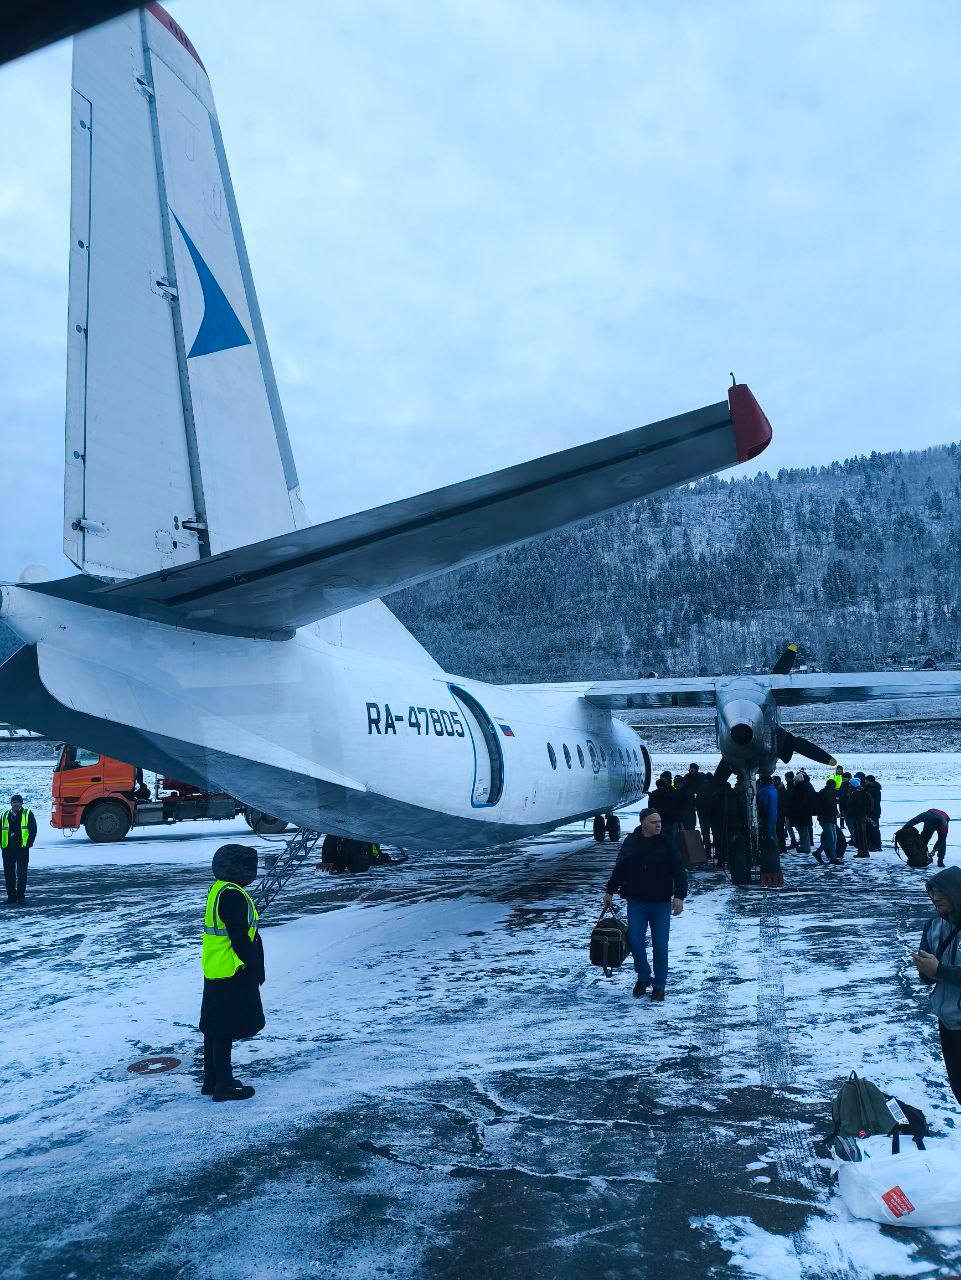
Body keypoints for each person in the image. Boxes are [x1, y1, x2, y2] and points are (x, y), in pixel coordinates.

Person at [200, 844, 265, 1103]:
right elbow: (239, 938)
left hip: (216, 967)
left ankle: (212, 1080)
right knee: (225, 1029)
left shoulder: (219, 889)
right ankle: (224, 1086)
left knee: (214, 1028)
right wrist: (254, 967)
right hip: (232, 969)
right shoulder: (233, 895)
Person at [602, 808, 687, 1002]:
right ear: (643, 824)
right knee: (635, 942)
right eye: (653, 822)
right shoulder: (631, 842)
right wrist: (609, 890)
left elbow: (679, 871)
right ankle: (643, 977)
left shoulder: (667, 842)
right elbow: (620, 869)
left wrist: (680, 896)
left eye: (659, 821)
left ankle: (659, 985)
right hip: (636, 902)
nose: (658, 824)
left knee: (660, 945)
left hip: (660, 904)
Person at [913, 867, 961, 1105]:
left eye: (942, 891)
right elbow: (927, 976)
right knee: (959, 1088)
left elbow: (938, 971)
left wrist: (939, 970)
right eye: (932, 891)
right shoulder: (933, 926)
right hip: (947, 1020)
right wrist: (926, 971)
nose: (935, 897)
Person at [2, 793, 37, 905]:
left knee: (22, 874)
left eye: (18, 802)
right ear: (11, 803)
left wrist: (28, 844)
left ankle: (21, 897)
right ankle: (11, 897)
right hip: (7, 849)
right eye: (14, 802)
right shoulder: (4, 815)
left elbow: (33, 830)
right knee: (9, 874)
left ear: (21, 803)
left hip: (22, 849)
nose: (16, 804)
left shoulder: (27, 814)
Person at [789, 768, 816, 855]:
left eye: (795, 780)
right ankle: (805, 846)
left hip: (802, 814)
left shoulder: (800, 789)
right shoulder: (806, 786)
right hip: (805, 813)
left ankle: (805, 847)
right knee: (804, 831)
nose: (794, 782)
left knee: (803, 831)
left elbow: (799, 802)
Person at [816, 778, 842, 865]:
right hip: (827, 819)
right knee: (831, 838)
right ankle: (818, 852)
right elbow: (830, 806)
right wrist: (836, 812)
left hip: (827, 818)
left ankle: (833, 858)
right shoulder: (829, 793)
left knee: (833, 838)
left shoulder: (825, 792)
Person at [846, 777, 870, 857]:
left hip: (858, 817)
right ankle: (863, 852)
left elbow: (855, 807)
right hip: (860, 816)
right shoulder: (861, 792)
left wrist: (852, 813)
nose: (849, 785)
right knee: (861, 835)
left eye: (850, 784)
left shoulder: (856, 794)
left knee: (860, 835)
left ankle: (862, 852)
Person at [756, 774, 778, 844]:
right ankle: (776, 850)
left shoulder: (764, 791)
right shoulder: (774, 789)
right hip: (774, 815)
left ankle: (770, 851)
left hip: (766, 816)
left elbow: (762, 804)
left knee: (767, 835)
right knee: (773, 834)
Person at [772, 775, 788, 850]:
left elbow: (780, 802)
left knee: (779, 830)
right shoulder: (780, 789)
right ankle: (781, 846)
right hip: (779, 813)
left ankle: (781, 846)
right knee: (779, 830)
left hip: (779, 813)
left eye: (773, 780)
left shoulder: (780, 791)